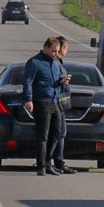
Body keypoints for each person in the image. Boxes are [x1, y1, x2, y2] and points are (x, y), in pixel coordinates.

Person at [23, 37, 69, 176]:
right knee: (42, 136)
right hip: (42, 102)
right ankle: (41, 165)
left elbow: (58, 79)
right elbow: (28, 82)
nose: (56, 54)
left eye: (57, 51)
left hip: (56, 101)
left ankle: (49, 161)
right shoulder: (34, 62)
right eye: (53, 51)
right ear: (46, 48)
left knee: (56, 133)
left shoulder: (56, 63)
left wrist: (63, 82)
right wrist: (28, 99)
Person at [47, 36, 76, 174]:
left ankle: (55, 161)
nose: (66, 51)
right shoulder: (56, 63)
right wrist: (62, 82)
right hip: (56, 102)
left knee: (59, 133)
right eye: (66, 48)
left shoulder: (57, 62)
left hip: (59, 102)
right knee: (59, 133)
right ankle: (57, 162)